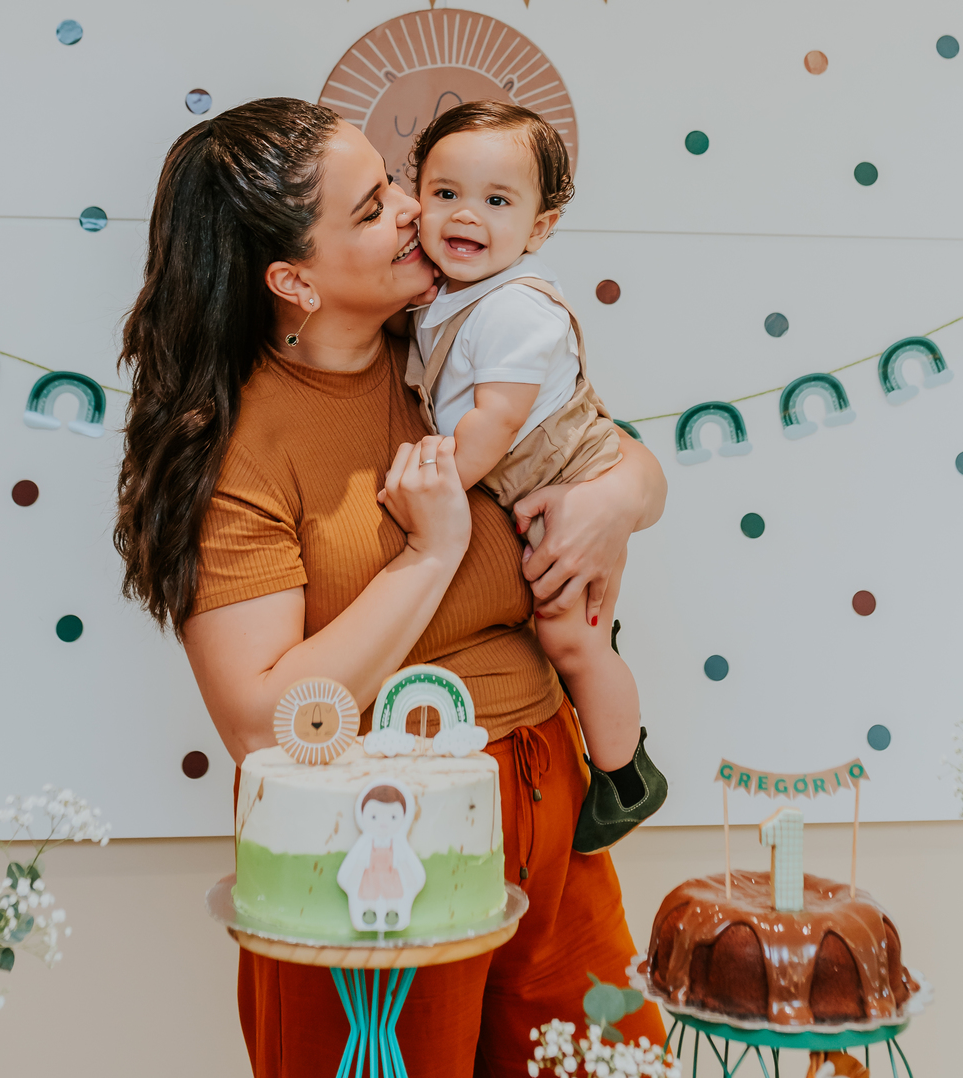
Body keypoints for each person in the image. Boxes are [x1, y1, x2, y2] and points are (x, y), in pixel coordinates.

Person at [114, 98, 667, 1078]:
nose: (416, 209)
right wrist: (429, 553)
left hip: (547, 797)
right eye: (373, 207)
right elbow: (260, 720)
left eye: (396, 182)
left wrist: (622, 496)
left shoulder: (457, 333)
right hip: (372, 846)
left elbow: (598, 444)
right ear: (294, 279)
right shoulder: (239, 449)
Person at [401, 99, 665, 852]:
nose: (466, 215)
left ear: (539, 228)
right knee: (569, 634)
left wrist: (435, 487)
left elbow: (494, 423)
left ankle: (625, 778)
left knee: (571, 642)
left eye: (497, 201)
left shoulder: (514, 308)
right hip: (533, 487)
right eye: (446, 192)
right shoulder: (446, 292)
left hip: (567, 478)